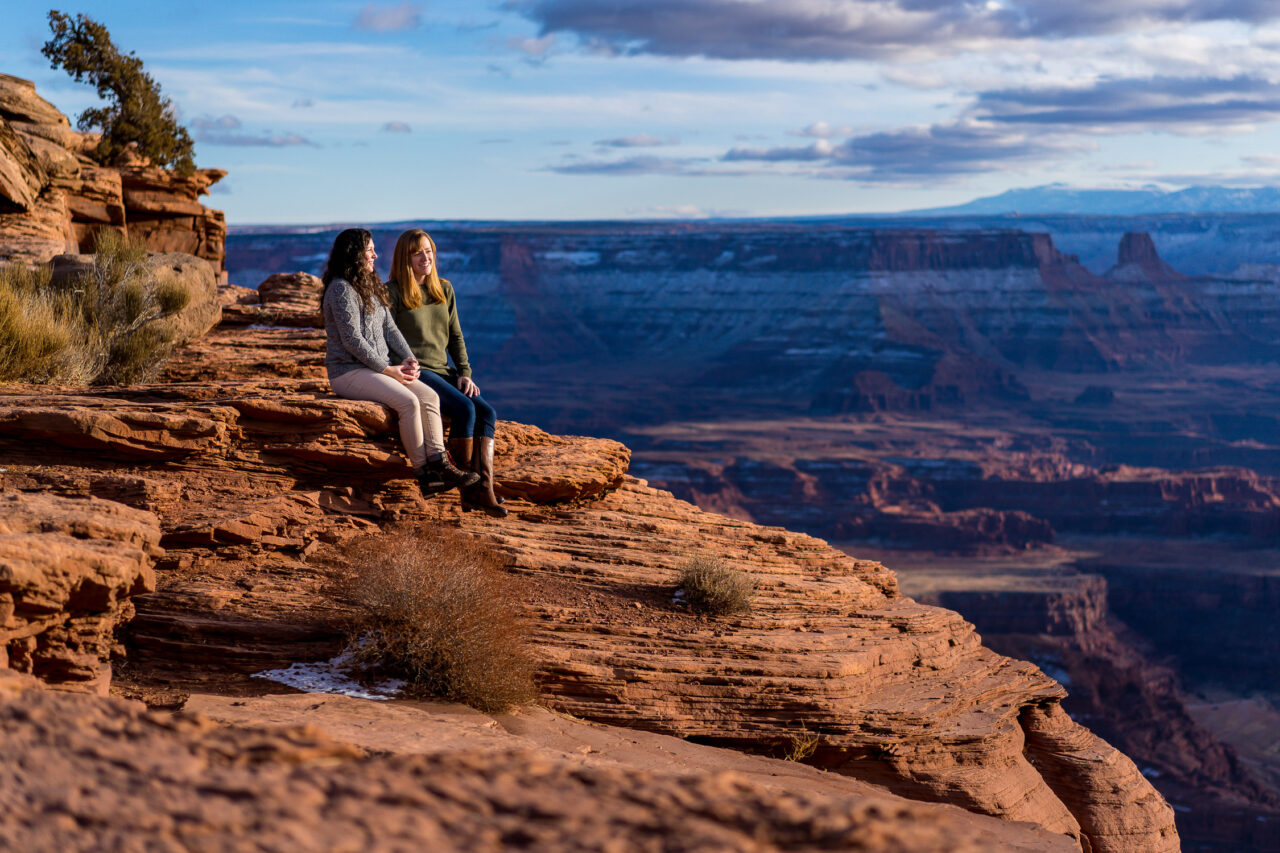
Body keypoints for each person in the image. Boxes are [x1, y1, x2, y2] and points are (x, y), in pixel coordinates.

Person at [321, 228, 479, 497]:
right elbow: (352, 341)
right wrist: (388, 370)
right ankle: (424, 474)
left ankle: (439, 463)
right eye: (369, 250)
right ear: (354, 254)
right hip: (349, 371)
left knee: (429, 396)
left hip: (376, 369)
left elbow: (391, 328)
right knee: (408, 402)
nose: (374, 254)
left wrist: (409, 360)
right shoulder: (340, 289)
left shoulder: (369, 285)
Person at [386, 229, 507, 518]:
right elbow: (385, 338)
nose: (425, 257)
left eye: (428, 251)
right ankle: (468, 488)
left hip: (444, 369)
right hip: (418, 370)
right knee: (465, 408)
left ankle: (482, 489)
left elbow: (455, 335)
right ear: (406, 257)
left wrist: (464, 371)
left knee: (486, 412)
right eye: (418, 252)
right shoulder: (391, 292)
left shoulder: (444, 288)